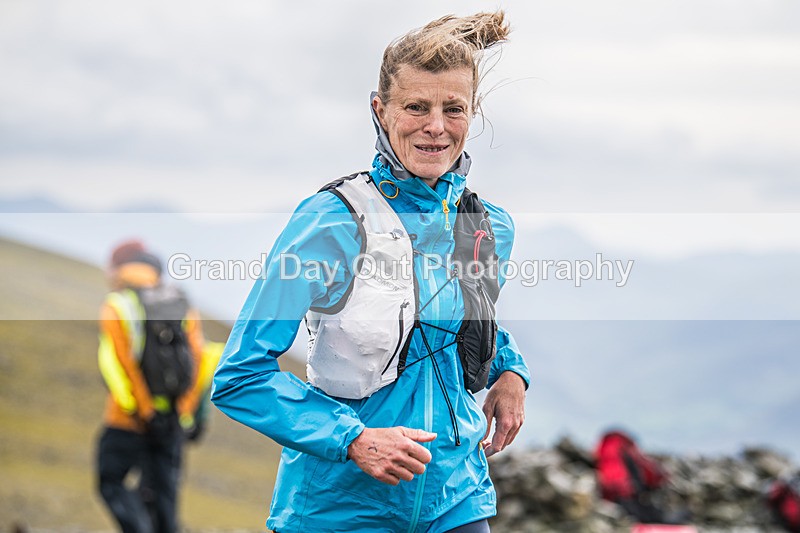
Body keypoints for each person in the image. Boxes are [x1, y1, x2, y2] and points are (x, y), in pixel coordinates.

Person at [212, 11, 530, 533]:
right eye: (416, 107)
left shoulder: (485, 225)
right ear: (381, 111)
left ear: (472, 113)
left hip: (457, 499)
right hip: (339, 508)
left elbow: (458, 322)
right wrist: (353, 438)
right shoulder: (330, 224)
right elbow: (241, 376)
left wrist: (511, 372)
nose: (436, 126)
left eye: (453, 108)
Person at [96, 239, 206, 533]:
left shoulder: (118, 304)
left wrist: (142, 410)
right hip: (172, 419)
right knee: (164, 499)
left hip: (128, 419)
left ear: (120, 268)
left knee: (110, 481)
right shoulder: (181, 302)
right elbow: (199, 358)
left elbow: (118, 365)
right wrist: (183, 411)